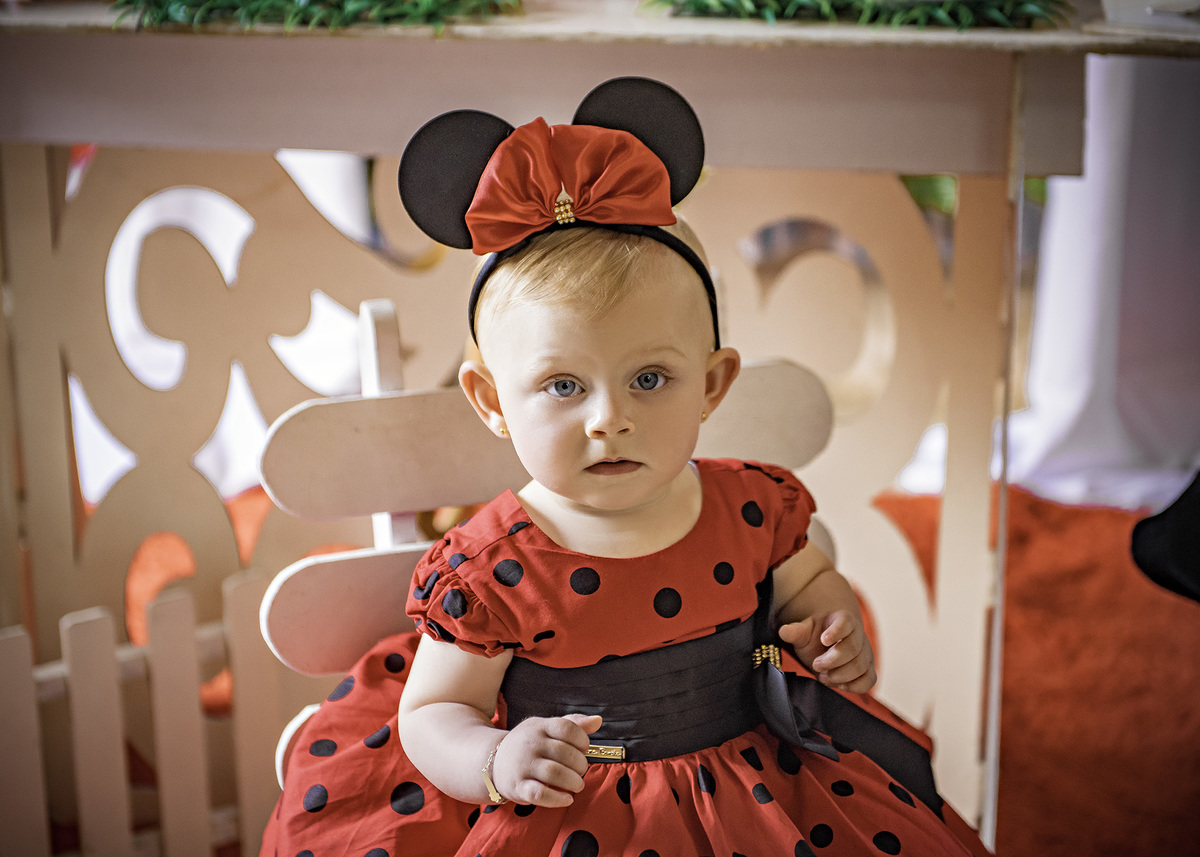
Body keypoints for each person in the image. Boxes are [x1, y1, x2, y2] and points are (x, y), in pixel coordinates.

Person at [260, 77, 989, 857]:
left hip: (763, 786)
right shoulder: (491, 569)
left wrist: (833, 624)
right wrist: (496, 759)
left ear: (711, 385)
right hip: (574, 810)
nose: (609, 418)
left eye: (649, 377)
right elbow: (434, 713)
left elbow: (807, 585)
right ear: (492, 401)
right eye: (563, 386)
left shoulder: (751, 505)